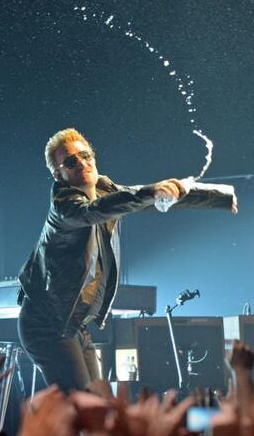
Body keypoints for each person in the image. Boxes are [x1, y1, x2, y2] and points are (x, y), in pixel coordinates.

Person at [17, 127, 237, 392]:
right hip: (46, 324)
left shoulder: (106, 191)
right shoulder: (64, 205)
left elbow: (151, 198)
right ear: (59, 174)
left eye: (85, 155)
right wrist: (149, 193)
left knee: (97, 405)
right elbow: (95, 211)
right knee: (86, 408)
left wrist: (220, 198)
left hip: (75, 325)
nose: (82, 163)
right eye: (71, 161)